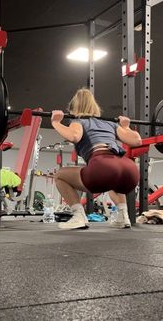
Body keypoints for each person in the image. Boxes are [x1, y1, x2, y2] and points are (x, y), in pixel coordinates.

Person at [51, 88, 142, 230]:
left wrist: (56, 122)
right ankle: (123, 216)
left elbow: (74, 136)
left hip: (102, 165)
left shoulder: (79, 121)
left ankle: (78, 216)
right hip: (129, 169)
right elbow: (137, 141)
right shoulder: (111, 124)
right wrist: (126, 127)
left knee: (60, 175)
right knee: (112, 179)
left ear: (74, 108)